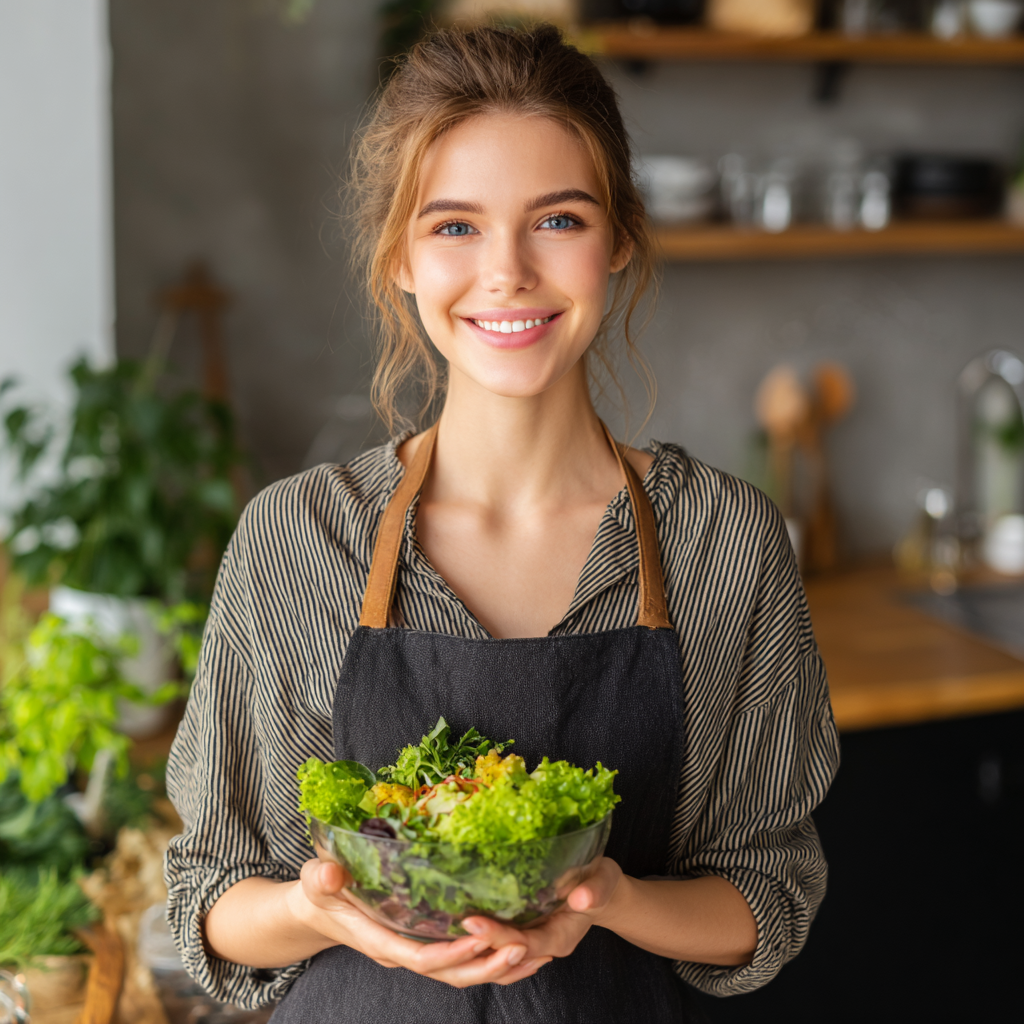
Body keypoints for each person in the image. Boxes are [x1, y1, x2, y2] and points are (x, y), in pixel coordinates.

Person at [165, 23, 839, 1024]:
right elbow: (210, 900)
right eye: (455, 226)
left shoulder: (720, 540)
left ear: (617, 237)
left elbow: (764, 896)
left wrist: (610, 898)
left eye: (557, 220)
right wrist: (324, 910)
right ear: (398, 254)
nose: (508, 271)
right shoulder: (299, 539)